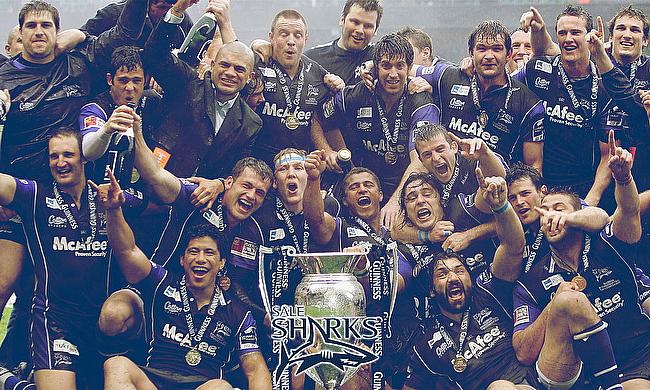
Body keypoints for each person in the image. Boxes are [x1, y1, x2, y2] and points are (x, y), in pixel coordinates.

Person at [96, 169, 271, 389]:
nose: (200, 259)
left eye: (209, 253)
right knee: (116, 365)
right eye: (193, 252)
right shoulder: (163, 284)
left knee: (220, 387)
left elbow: (256, 368)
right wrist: (113, 211)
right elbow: (127, 251)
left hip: (201, 385)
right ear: (182, 260)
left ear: (222, 263)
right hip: (154, 381)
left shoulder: (238, 312)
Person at [0, 127, 145, 389]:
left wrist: (212, 185)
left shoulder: (109, 196)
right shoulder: (35, 196)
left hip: (101, 324)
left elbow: (164, 197)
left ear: (84, 158)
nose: (60, 162)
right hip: (54, 321)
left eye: (68, 154)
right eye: (54, 157)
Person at [512, 134, 650, 389]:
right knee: (567, 300)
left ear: (578, 214)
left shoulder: (609, 242)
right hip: (576, 373)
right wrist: (554, 305)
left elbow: (627, 211)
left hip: (633, 360)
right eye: (545, 210)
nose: (550, 215)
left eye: (558, 208)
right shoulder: (532, 278)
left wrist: (623, 178)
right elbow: (523, 351)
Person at [404, 167, 539, 389]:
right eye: (442, 274)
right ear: (431, 289)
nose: (453, 277)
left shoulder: (487, 293)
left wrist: (501, 206)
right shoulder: (426, 343)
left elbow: (514, 247)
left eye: (459, 270)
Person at [517, 5, 646, 205]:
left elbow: (607, 154)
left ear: (589, 36)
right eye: (562, 33)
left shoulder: (608, 84)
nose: (568, 39)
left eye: (576, 32)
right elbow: (503, 84)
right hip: (543, 188)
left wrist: (590, 201)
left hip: (587, 189)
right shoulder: (537, 70)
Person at [318, 33, 439, 229]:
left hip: (404, 191)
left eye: (399, 66)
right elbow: (321, 118)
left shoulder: (420, 101)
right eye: (386, 66)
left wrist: (394, 202)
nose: (393, 74)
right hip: (362, 190)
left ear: (409, 68)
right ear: (376, 68)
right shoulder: (360, 93)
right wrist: (336, 152)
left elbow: (420, 160)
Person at [143, 0, 261, 179]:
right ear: (213, 65)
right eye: (224, 65)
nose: (230, 73)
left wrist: (219, 185)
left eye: (239, 69)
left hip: (202, 202)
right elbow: (154, 55)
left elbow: (236, 172)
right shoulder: (186, 83)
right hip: (155, 190)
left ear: (250, 77)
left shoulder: (251, 123)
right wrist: (178, 9)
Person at [413, 20, 545, 171]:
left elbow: (535, 166)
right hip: (444, 182)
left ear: (508, 54)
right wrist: (413, 83)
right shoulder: (449, 76)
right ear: (471, 52)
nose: (489, 56)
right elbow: (405, 69)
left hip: (493, 187)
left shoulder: (529, 104)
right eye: (482, 49)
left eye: (496, 49)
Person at [250, 9, 332, 166]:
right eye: (284, 34)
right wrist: (254, 44)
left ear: (305, 40)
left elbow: (321, 120)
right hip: (258, 167)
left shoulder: (318, 73)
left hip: (299, 169)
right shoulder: (258, 63)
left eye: (297, 35)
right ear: (271, 37)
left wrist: (338, 85)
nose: (291, 41)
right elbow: (234, 55)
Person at [79, 46, 163, 186]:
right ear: (110, 79)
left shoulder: (154, 101)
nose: (130, 88)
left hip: (145, 186)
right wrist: (106, 130)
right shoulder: (96, 108)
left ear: (146, 79)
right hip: (102, 189)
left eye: (136, 81)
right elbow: (88, 152)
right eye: (123, 80)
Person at [305, 0, 382, 85]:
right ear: (342, 20)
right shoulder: (313, 59)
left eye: (368, 26)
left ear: (375, 30)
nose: (360, 30)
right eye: (355, 22)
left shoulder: (382, 57)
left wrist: (377, 63)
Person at [81, 0, 193, 49]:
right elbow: (84, 41)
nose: (167, 14)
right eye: (162, 8)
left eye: (171, 9)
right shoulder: (115, 13)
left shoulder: (181, 19)